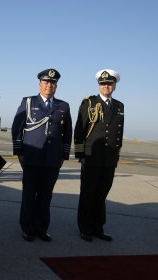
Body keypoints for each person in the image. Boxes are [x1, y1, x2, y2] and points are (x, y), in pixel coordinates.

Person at [11, 68, 72, 242]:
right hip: (32, 157)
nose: (49, 86)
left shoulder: (63, 106)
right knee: (29, 195)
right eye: (46, 82)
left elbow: (67, 133)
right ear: (40, 84)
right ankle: (27, 228)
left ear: (56, 86)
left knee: (46, 196)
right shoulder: (28, 102)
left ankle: (41, 228)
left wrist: (63, 156)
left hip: (52, 160)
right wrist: (19, 153)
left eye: (52, 83)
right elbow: (17, 128)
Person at [74, 69, 124, 242]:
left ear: (114, 86)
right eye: (103, 84)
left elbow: (119, 133)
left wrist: (116, 156)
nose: (106, 86)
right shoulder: (89, 103)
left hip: (109, 159)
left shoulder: (119, 106)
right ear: (99, 85)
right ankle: (85, 228)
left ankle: (98, 227)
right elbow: (79, 130)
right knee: (88, 193)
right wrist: (80, 154)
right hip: (91, 157)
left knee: (102, 194)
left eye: (109, 83)